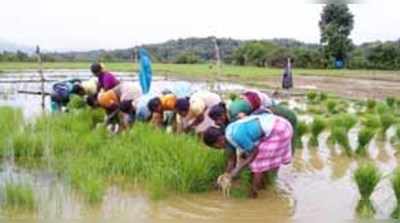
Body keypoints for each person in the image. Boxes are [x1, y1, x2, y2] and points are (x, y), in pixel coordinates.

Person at [203, 113, 293, 198]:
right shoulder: (228, 133)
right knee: (254, 160)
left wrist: (238, 169)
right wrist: (225, 176)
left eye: (216, 147)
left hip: (279, 129)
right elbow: (232, 160)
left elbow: (255, 152)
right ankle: (262, 185)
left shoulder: (236, 135)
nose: (219, 149)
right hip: (277, 123)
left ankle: (253, 194)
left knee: (257, 164)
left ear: (219, 140)